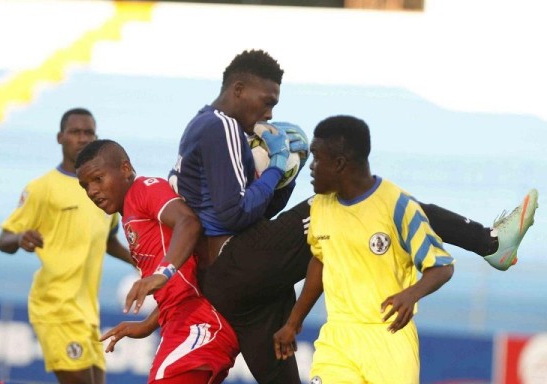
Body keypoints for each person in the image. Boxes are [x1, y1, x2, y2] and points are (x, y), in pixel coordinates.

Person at [161, 49, 537, 384]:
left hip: (231, 285)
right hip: (238, 261)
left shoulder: (200, 125)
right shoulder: (222, 124)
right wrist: (279, 165)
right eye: (267, 100)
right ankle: (489, 242)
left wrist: (284, 177)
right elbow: (235, 214)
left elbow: (255, 212)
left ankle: (490, 243)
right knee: (368, 204)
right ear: (238, 89)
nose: (269, 113)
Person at [273, 115, 455, 383]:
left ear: (339, 164)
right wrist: (293, 321)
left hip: (389, 338)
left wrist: (411, 294)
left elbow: (442, 266)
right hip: (338, 337)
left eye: (317, 158)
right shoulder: (321, 205)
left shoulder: (397, 206)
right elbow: (320, 261)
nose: (311, 167)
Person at [75, 139, 240, 384]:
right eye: (85, 186)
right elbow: (179, 284)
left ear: (125, 169)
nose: (92, 191)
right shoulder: (130, 214)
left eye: (98, 179)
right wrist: (148, 324)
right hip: (179, 321)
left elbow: (188, 222)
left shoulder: (144, 189)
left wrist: (163, 273)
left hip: (199, 319)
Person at [0, 108, 133, 384]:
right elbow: (4, 240)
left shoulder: (103, 189)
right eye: (75, 132)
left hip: (86, 311)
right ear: (60, 137)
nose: (82, 138)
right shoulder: (42, 188)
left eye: (89, 133)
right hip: (55, 306)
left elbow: (108, 241)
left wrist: (142, 261)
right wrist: (21, 238)